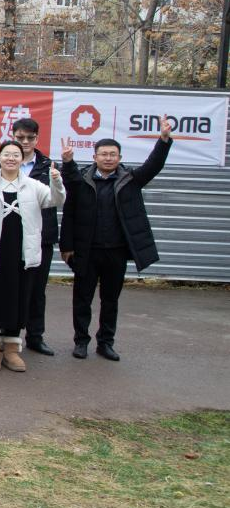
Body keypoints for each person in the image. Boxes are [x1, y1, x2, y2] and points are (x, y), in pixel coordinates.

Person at [60, 121, 173, 361]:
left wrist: (163, 141)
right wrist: (66, 246)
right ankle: (81, 342)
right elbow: (69, 212)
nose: (108, 158)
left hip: (116, 252)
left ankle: (106, 343)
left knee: (110, 300)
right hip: (87, 252)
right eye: (104, 154)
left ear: (120, 157)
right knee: (82, 299)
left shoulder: (130, 179)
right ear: (95, 156)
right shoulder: (81, 180)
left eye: (113, 154)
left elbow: (154, 166)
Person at [0, 139, 69, 372]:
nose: (11, 158)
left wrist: (57, 180)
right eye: (7, 154)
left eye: (16, 154)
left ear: (22, 159)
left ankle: (12, 348)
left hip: (22, 253)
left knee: (19, 298)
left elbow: (56, 200)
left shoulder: (34, 185)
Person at [5, 117, 61, 356]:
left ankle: (35, 336)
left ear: (37, 139)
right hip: (9, 237)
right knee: (10, 287)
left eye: (30, 138)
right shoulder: (3, 164)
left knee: (37, 289)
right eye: (20, 138)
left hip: (40, 237)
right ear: (13, 137)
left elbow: (57, 198)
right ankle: (7, 334)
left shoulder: (49, 166)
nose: (25, 142)